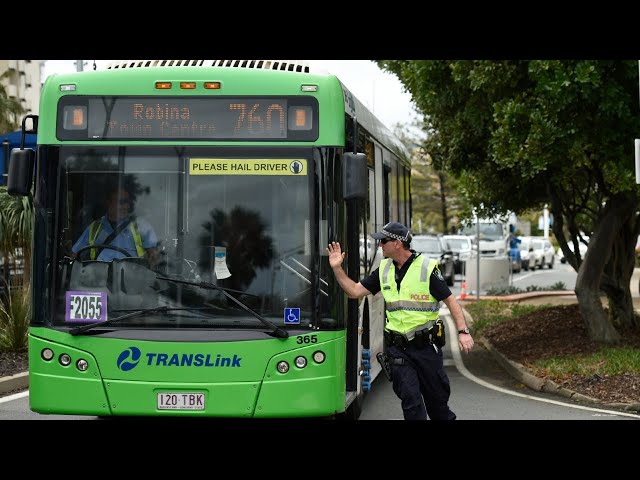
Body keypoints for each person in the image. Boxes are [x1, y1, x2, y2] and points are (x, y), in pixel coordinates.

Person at [326, 221, 474, 420]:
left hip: (426, 349)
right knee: (411, 404)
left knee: (438, 408)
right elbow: (354, 292)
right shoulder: (384, 269)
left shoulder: (426, 268)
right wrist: (337, 268)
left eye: (383, 241)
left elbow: (450, 300)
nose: (380, 246)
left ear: (397, 243)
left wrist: (463, 332)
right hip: (398, 350)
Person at [72, 185, 160, 267]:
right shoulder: (94, 227)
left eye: (127, 202)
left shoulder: (141, 226)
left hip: (132, 279)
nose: (126, 206)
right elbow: (74, 255)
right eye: (122, 202)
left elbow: (154, 259)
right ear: (109, 203)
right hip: (99, 279)